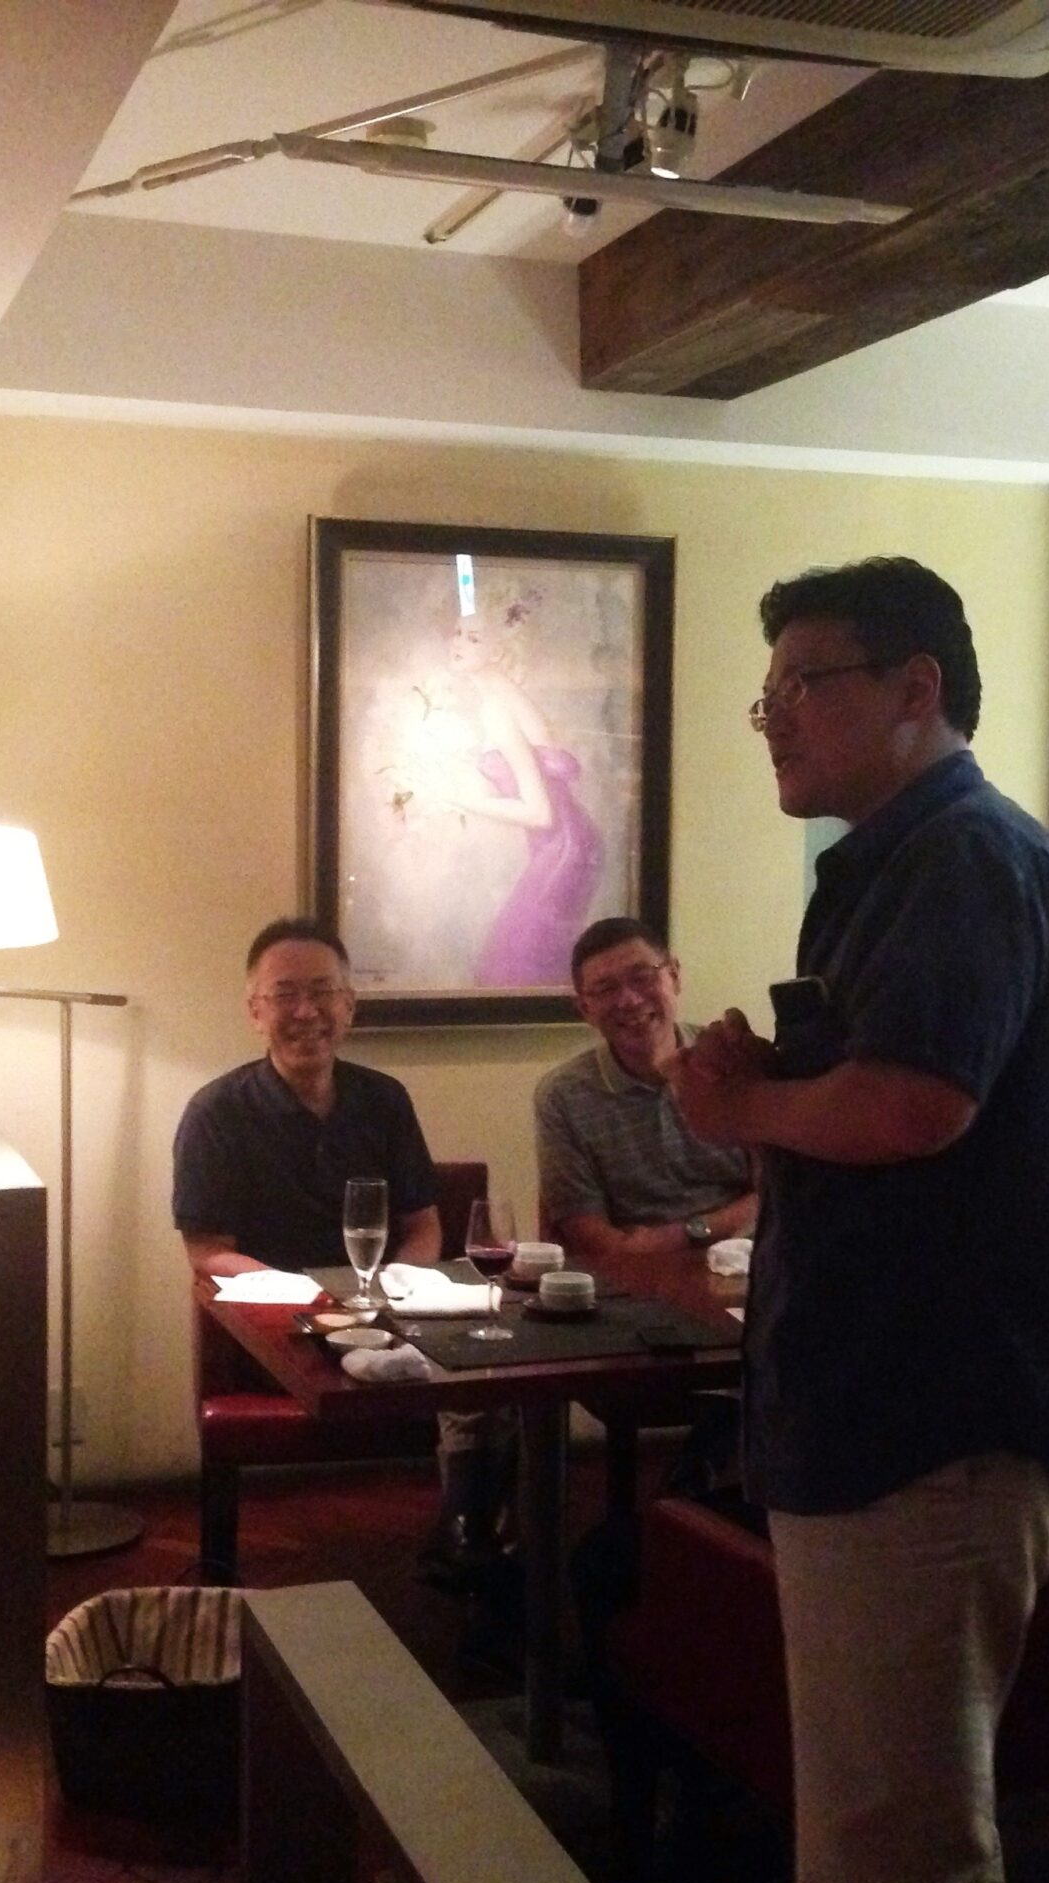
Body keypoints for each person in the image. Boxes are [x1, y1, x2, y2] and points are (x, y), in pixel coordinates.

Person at [661, 556, 1049, 1883]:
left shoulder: (964, 855)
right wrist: (765, 1091)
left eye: (802, 685)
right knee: (874, 1829)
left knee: (900, 1855)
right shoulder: (893, 862)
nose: (775, 720)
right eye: (766, 696)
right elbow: (870, 1107)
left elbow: (917, 1106)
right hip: (881, 1407)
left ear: (916, 689)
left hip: (934, 1419)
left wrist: (746, 1104)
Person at [172, 918, 508, 1573]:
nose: (306, 1011)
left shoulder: (384, 1100)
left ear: (349, 1005)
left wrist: (388, 1293)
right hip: (283, 1327)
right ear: (255, 1010)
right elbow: (207, 1251)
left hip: (389, 1316)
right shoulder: (216, 1114)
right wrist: (313, 1298)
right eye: (285, 994)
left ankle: (474, 1539)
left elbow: (423, 1225)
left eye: (323, 992)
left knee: (500, 1374)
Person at [535, 916, 757, 1260]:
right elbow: (591, 1238)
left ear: (675, 976)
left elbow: (775, 1196)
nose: (629, 1000)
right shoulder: (563, 1097)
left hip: (748, 1268)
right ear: (585, 1009)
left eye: (642, 977)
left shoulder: (731, 1060)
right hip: (632, 1276)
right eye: (606, 989)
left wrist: (686, 1233)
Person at [414, 601, 603, 989]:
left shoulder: (498, 708)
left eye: (473, 638)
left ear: (498, 650)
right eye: (457, 633)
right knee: (527, 955)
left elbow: (540, 813)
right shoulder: (501, 696)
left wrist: (455, 796)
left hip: (563, 846)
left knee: (518, 958)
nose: (458, 643)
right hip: (564, 842)